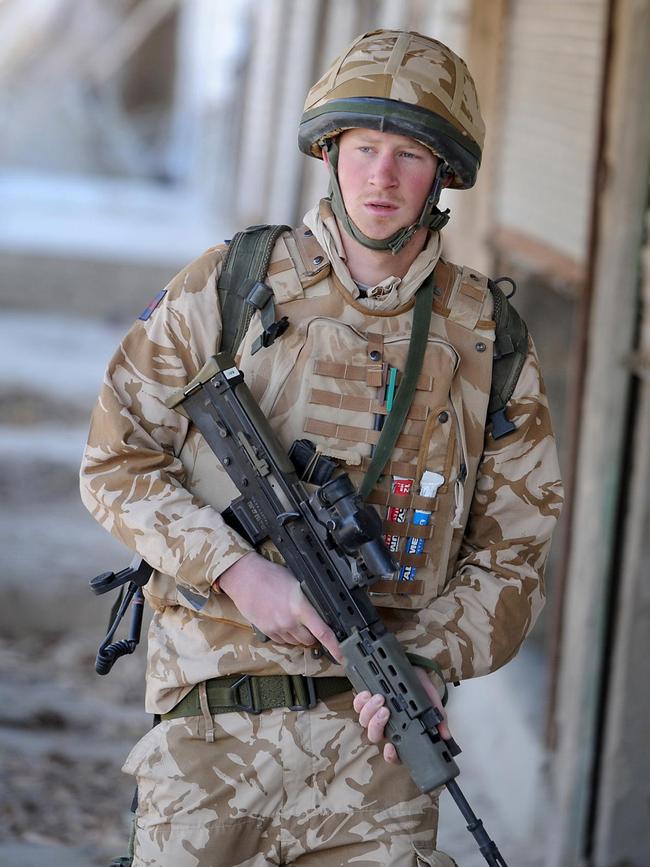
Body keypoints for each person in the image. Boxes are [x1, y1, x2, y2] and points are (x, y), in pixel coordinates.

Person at [80, 29, 563, 867]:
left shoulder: (489, 338)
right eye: (365, 148)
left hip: (376, 762)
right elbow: (116, 461)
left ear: (443, 173)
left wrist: (430, 661)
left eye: (409, 154)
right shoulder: (232, 283)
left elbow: (515, 555)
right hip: (212, 742)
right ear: (330, 151)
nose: (381, 176)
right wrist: (235, 569)